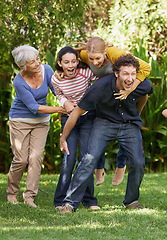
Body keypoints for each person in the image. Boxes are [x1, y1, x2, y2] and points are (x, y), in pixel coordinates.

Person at [58, 54, 153, 213]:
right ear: (116, 73)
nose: (129, 78)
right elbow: (76, 113)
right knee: (89, 158)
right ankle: (70, 203)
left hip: (129, 124)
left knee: (138, 161)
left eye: (132, 74)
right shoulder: (99, 88)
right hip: (104, 123)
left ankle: (131, 201)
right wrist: (63, 137)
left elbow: (145, 94)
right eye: (125, 74)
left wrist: (137, 113)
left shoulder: (142, 84)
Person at [74, 37, 152, 186]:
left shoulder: (115, 54)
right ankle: (99, 168)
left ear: (105, 52)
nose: (95, 62)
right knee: (99, 128)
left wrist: (129, 90)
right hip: (106, 92)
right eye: (92, 59)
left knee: (129, 125)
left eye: (98, 58)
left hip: (126, 88)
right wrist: (61, 73)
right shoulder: (85, 55)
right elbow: (71, 60)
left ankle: (121, 166)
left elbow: (146, 68)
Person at [7, 45, 67, 208]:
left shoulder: (46, 69)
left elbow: (56, 91)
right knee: (21, 159)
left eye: (37, 59)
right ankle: (12, 193)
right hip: (20, 120)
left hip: (41, 122)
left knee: (35, 158)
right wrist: (60, 109)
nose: (37, 63)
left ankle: (29, 197)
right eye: (32, 62)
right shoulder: (19, 82)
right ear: (22, 66)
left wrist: (67, 100)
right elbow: (34, 107)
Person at [52, 46, 100, 210]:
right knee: (69, 158)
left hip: (87, 118)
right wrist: (64, 102)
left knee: (86, 158)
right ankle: (60, 199)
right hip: (68, 118)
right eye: (66, 62)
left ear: (78, 61)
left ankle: (89, 200)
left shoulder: (86, 73)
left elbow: (100, 77)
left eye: (73, 61)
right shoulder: (56, 79)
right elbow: (58, 94)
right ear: (60, 63)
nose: (70, 65)